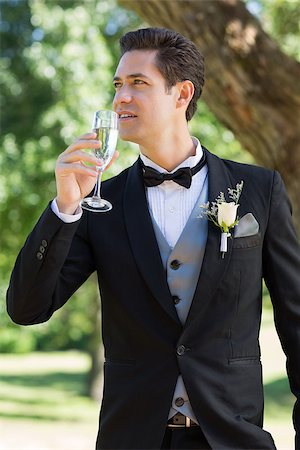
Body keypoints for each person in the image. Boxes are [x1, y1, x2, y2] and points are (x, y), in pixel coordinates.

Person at [6, 27, 300, 450]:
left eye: (137, 83)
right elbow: (26, 308)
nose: (120, 97)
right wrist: (64, 207)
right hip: (132, 437)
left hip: (233, 438)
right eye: (117, 85)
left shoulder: (258, 190)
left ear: (181, 95)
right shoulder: (99, 204)